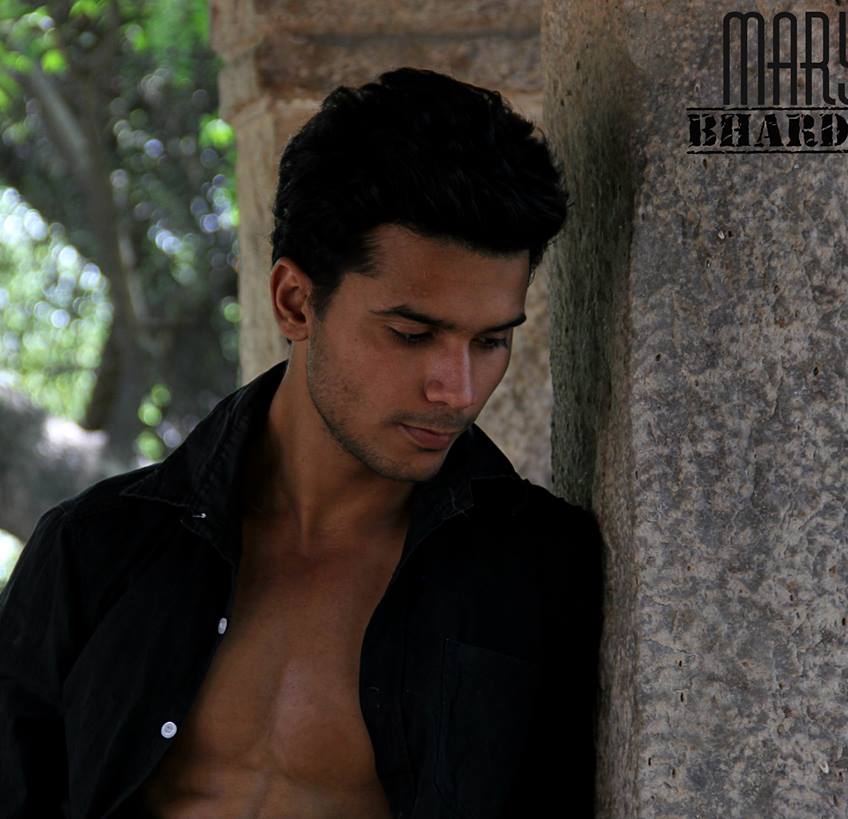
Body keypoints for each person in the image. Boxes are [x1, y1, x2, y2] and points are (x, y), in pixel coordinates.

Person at [0, 67, 605, 819]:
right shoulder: (93, 551)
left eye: (490, 341)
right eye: (411, 334)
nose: (457, 389)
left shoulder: (538, 576)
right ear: (295, 302)